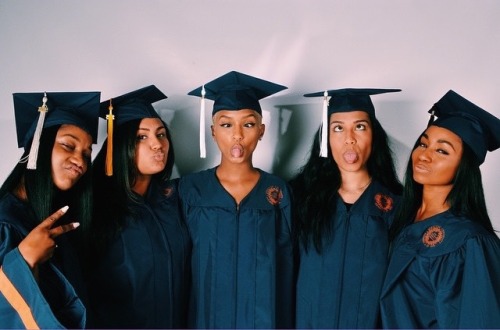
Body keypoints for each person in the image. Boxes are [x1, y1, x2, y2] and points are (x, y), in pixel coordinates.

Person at [179, 71, 294, 329]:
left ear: (262, 130)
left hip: (263, 319)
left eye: (249, 124)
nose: (237, 135)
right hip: (205, 319)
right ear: (212, 131)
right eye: (226, 124)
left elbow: (286, 267)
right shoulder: (190, 190)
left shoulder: (278, 192)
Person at [380, 90, 500, 328]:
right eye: (423, 144)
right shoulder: (396, 216)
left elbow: (480, 320)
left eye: (442, 150)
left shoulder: (469, 241)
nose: (424, 155)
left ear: (464, 167)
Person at [290, 88, 403, 328]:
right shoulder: (299, 199)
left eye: (360, 127)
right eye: (338, 128)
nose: (349, 138)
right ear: (326, 137)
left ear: (374, 135)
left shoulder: (397, 206)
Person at [86, 85, 191, 328]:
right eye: (141, 137)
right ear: (119, 144)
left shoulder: (174, 201)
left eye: (161, 134)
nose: (157, 144)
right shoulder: (95, 207)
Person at [0, 91, 100, 328]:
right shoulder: (5, 223)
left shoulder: (53, 218)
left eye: (86, 154)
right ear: (36, 147)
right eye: (68, 145)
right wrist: (23, 262)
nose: (80, 161)